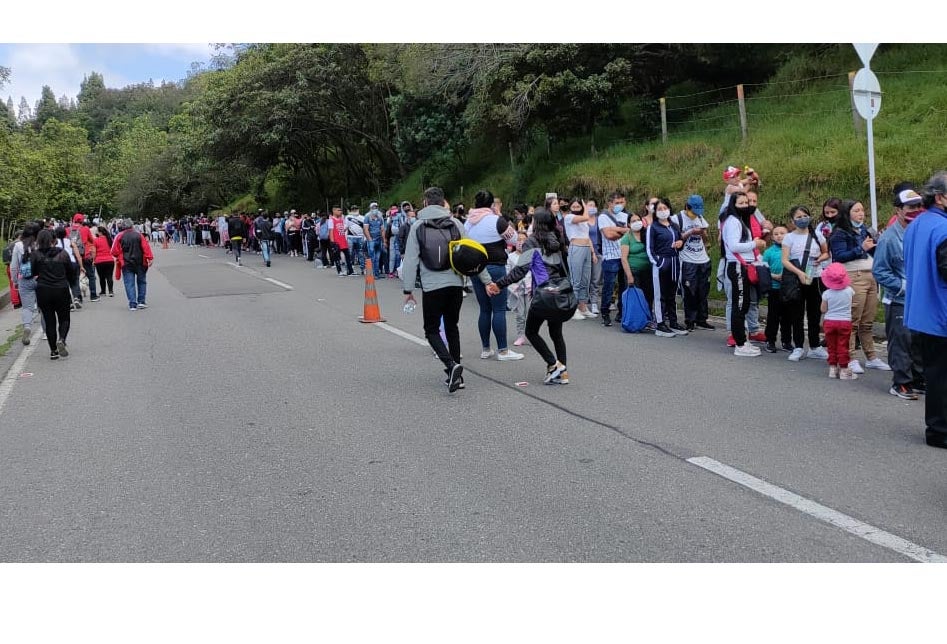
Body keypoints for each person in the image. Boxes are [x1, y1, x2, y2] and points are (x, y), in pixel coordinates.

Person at [402, 187, 498, 392]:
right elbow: (473, 253)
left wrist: (408, 289)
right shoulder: (455, 223)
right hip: (455, 284)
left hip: (431, 286)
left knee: (431, 330)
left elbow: (410, 260)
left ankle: (451, 365)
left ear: (425, 203)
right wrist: (487, 281)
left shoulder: (418, 226)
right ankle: (458, 378)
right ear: (443, 202)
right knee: (452, 327)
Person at [489, 208, 570, 384]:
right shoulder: (558, 238)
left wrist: (499, 284)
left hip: (544, 293)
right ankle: (562, 372)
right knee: (556, 333)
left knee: (531, 332)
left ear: (536, 223)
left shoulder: (532, 242)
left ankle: (554, 365)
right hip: (560, 290)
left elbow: (520, 270)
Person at [904, 172, 947, 448]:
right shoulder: (943, 229)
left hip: (922, 311)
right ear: (941, 197)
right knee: (942, 376)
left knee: (935, 374)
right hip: (942, 312)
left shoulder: (917, 225)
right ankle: (940, 431)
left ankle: (936, 428)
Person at [874, 188, 925, 400]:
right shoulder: (888, 238)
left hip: (921, 298)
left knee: (919, 341)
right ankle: (901, 383)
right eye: (910, 207)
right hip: (898, 299)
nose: (915, 210)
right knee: (901, 341)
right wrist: (902, 286)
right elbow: (879, 270)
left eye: (918, 206)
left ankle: (918, 379)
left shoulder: (921, 232)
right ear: (899, 210)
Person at [828, 200, 890, 373]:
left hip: (871, 276)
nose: (861, 213)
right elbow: (839, 256)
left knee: (867, 321)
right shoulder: (839, 233)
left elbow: (873, 252)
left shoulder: (866, 230)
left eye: (862, 210)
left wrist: (879, 243)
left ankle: (871, 357)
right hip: (854, 276)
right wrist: (860, 248)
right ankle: (850, 357)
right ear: (847, 213)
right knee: (853, 320)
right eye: (856, 210)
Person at [464, 189, 524, 361]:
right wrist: (500, 217)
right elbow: (514, 240)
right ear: (491, 204)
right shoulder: (497, 221)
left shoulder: (468, 223)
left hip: (476, 269)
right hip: (495, 267)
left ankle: (485, 348)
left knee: (484, 309)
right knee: (498, 309)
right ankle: (503, 350)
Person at [781, 206, 829, 361]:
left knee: (815, 313)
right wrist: (800, 273)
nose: (803, 219)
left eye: (805, 215)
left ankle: (815, 346)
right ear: (792, 220)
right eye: (799, 216)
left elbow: (826, 252)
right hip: (797, 278)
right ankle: (799, 346)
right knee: (797, 314)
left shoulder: (817, 235)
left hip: (815, 278)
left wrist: (821, 258)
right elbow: (785, 260)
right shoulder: (789, 237)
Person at [721, 192, 767, 357]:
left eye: (747, 202)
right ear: (734, 205)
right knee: (740, 305)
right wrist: (755, 243)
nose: (746, 206)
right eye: (741, 203)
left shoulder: (741, 221)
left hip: (745, 265)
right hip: (738, 266)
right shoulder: (733, 222)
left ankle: (742, 340)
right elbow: (733, 246)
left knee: (744, 304)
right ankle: (740, 343)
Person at [32, 229, 76, 360]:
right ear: (54, 239)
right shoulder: (62, 253)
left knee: (49, 320)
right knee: (64, 318)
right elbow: (71, 271)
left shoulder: (35, 255)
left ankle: (53, 351)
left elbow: (32, 272)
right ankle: (62, 339)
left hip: (43, 290)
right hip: (61, 288)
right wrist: (71, 283)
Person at [646, 198, 687, 337]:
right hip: (661, 263)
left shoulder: (674, 225)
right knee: (660, 295)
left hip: (675, 263)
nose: (663, 211)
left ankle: (673, 322)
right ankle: (660, 323)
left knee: (671, 295)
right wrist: (659, 263)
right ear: (655, 212)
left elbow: (680, 240)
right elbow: (649, 249)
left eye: (665, 208)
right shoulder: (653, 227)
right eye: (659, 209)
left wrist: (680, 243)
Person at [676, 195, 715, 331]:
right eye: (693, 212)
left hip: (702, 258)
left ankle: (702, 319)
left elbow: (705, 237)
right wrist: (691, 232)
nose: (695, 215)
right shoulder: (678, 219)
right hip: (687, 260)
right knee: (690, 291)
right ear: (687, 207)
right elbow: (676, 239)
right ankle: (690, 319)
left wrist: (702, 234)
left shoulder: (700, 218)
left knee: (703, 291)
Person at [9, 222, 45, 345]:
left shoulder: (18, 245)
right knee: (44, 307)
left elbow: (14, 266)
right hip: (40, 278)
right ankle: (46, 332)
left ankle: (27, 326)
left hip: (25, 279)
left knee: (27, 308)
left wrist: (14, 281)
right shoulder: (40, 244)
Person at [598, 190, 630, 322]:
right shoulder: (603, 217)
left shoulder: (626, 216)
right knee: (609, 286)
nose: (620, 205)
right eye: (617, 203)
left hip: (624, 255)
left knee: (624, 285)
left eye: (622, 202)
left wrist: (614, 229)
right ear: (610, 203)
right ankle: (605, 312)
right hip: (610, 256)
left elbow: (631, 233)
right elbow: (609, 235)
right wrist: (623, 230)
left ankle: (621, 312)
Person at [820, 263, 857, 380]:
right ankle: (844, 370)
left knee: (831, 345)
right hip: (845, 321)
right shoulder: (850, 291)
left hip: (830, 321)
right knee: (843, 345)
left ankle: (832, 368)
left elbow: (823, 309)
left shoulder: (826, 294)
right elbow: (851, 304)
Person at [619, 213, 654, 329]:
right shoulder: (627, 238)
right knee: (637, 297)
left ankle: (648, 319)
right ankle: (636, 320)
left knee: (648, 296)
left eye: (638, 220)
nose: (637, 222)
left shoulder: (646, 235)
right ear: (628, 224)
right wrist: (629, 276)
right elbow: (624, 258)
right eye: (633, 221)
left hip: (647, 270)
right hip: (633, 270)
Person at [564, 197, 596, 320]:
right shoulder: (569, 217)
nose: (576, 209)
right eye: (574, 206)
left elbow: (587, 236)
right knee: (575, 281)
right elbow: (586, 217)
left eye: (578, 207)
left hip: (587, 248)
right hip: (576, 248)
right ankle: (573, 309)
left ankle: (583, 307)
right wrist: (584, 205)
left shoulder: (583, 220)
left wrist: (592, 252)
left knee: (585, 280)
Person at [112, 218, 154, 311]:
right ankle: (141, 301)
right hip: (140, 262)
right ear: (132, 226)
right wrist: (150, 258)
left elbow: (114, 251)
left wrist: (120, 256)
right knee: (142, 281)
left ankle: (132, 303)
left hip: (126, 263)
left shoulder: (119, 236)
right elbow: (145, 248)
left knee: (129, 283)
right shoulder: (139, 235)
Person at [762, 225, 790, 353]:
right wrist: (774, 276)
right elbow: (763, 270)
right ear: (772, 237)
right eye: (776, 234)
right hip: (774, 288)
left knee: (787, 316)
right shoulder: (769, 252)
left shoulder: (791, 250)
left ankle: (787, 341)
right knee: (773, 316)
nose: (779, 236)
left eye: (782, 233)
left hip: (788, 288)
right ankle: (770, 340)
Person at [507, 231, 531, 346]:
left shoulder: (531, 255)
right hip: (517, 289)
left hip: (530, 288)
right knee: (520, 314)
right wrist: (513, 287)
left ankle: (531, 334)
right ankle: (521, 335)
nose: (521, 242)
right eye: (519, 240)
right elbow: (508, 274)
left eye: (524, 240)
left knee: (531, 313)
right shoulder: (510, 257)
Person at [66, 213, 97, 302]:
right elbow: (92, 240)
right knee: (90, 275)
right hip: (85, 255)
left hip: (73, 256)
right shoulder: (86, 229)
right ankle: (93, 295)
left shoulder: (68, 230)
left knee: (75, 276)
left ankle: (78, 297)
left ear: (74, 220)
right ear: (82, 220)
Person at [329, 206, 354, 276]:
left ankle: (350, 270)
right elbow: (331, 232)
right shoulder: (331, 220)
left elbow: (342, 229)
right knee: (337, 257)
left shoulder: (341, 219)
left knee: (348, 256)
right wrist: (332, 242)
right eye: (338, 210)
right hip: (336, 241)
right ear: (334, 211)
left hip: (343, 240)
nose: (340, 211)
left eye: (341, 210)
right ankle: (339, 271)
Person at [363, 202, 387, 278]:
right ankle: (372, 274)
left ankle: (376, 273)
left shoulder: (380, 217)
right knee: (372, 257)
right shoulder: (367, 217)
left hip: (378, 240)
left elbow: (382, 229)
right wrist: (369, 239)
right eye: (373, 208)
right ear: (370, 209)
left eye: (376, 207)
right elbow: (365, 229)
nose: (375, 209)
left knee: (377, 258)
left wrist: (384, 241)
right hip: (372, 240)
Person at [92, 225, 115, 298]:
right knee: (109, 276)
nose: (96, 232)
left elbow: (94, 252)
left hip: (99, 261)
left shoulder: (96, 240)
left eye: (97, 231)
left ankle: (103, 291)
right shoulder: (109, 239)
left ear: (100, 232)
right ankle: (111, 291)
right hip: (109, 260)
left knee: (101, 277)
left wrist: (93, 260)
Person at [345, 205, 366, 275]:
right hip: (350, 237)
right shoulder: (348, 217)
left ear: (358, 209)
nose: (354, 210)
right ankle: (349, 269)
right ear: (351, 210)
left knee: (361, 254)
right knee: (350, 254)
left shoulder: (363, 218)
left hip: (360, 237)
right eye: (353, 209)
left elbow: (365, 228)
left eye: (355, 209)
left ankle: (363, 269)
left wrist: (365, 237)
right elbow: (345, 227)